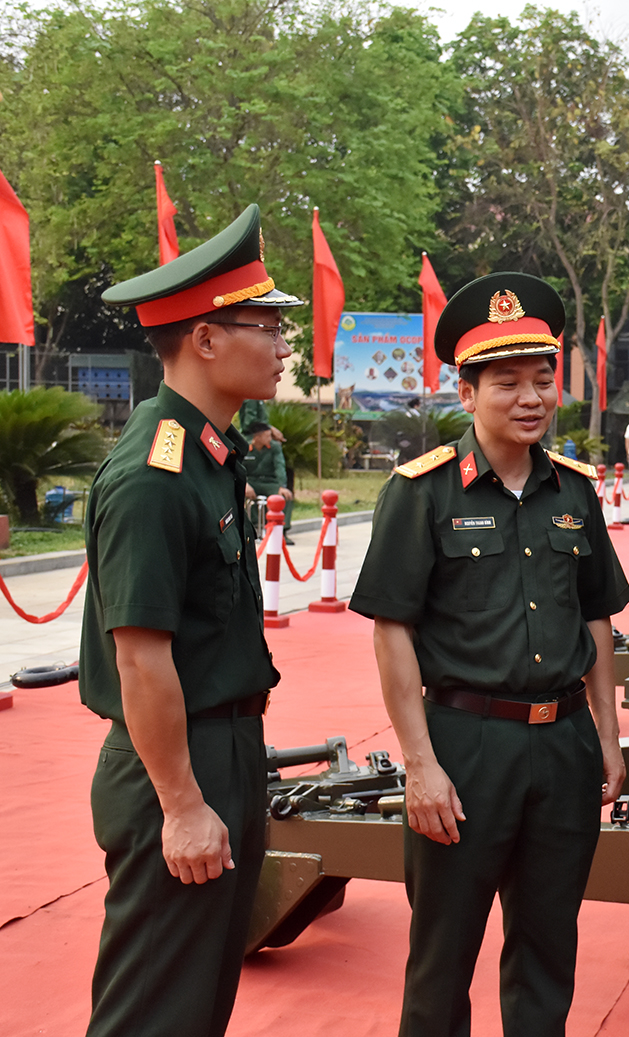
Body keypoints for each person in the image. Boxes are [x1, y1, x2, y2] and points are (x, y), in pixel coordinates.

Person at [348, 272, 629, 1037]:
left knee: (547, 947)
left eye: (542, 379)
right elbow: (391, 630)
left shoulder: (575, 491)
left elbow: (597, 621)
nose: (531, 396)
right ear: (466, 393)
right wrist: (419, 763)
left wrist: (607, 737)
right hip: (464, 748)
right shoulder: (423, 492)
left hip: (563, 741)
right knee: (442, 953)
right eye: (506, 381)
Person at [81, 203, 301, 1037]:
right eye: (265, 326)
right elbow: (140, 660)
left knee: (199, 1000)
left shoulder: (211, 455)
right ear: (205, 340)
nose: (284, 348)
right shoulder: (153, 474)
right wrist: (180, 802)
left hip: (226, 750)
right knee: (154, 1006)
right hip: (176, 761)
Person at [242, 419, 292, 542]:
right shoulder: (245, 447)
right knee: (239, 493)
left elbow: (280, 467)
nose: (270, 438)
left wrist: (282, 485)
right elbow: (238, 467)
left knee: (284, 497)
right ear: (257, 437)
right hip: (251, 482)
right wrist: (245, 484)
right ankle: (251, 527)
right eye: (267, 436)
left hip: (270, 482)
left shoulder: (274, 447)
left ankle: (282, 531)